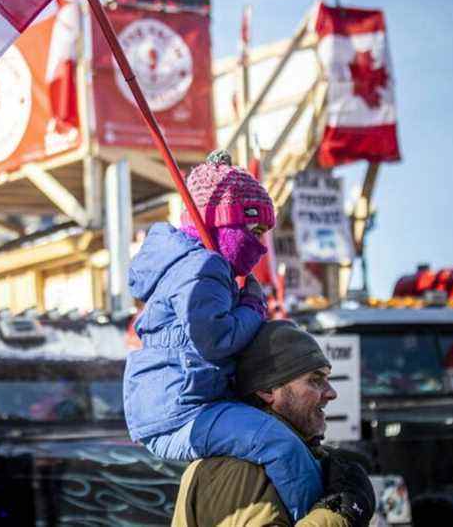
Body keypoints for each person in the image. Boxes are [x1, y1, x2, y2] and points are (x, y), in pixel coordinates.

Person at [124, 151, 323, 520]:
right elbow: (215, 340)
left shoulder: (186, 265)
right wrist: (252, 305)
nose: (261, 246)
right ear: (227, 224)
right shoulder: (204, 266)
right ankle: (317, 514)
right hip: (184, 415)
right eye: (256, 231)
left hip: (176, 407)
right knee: (280, 445)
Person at [172, 320, 376, 527]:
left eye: (326, 379)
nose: (331, 393)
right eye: (315, 380)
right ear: (268, 391)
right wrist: (340, 515)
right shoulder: (241, 467)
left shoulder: (276, 459)